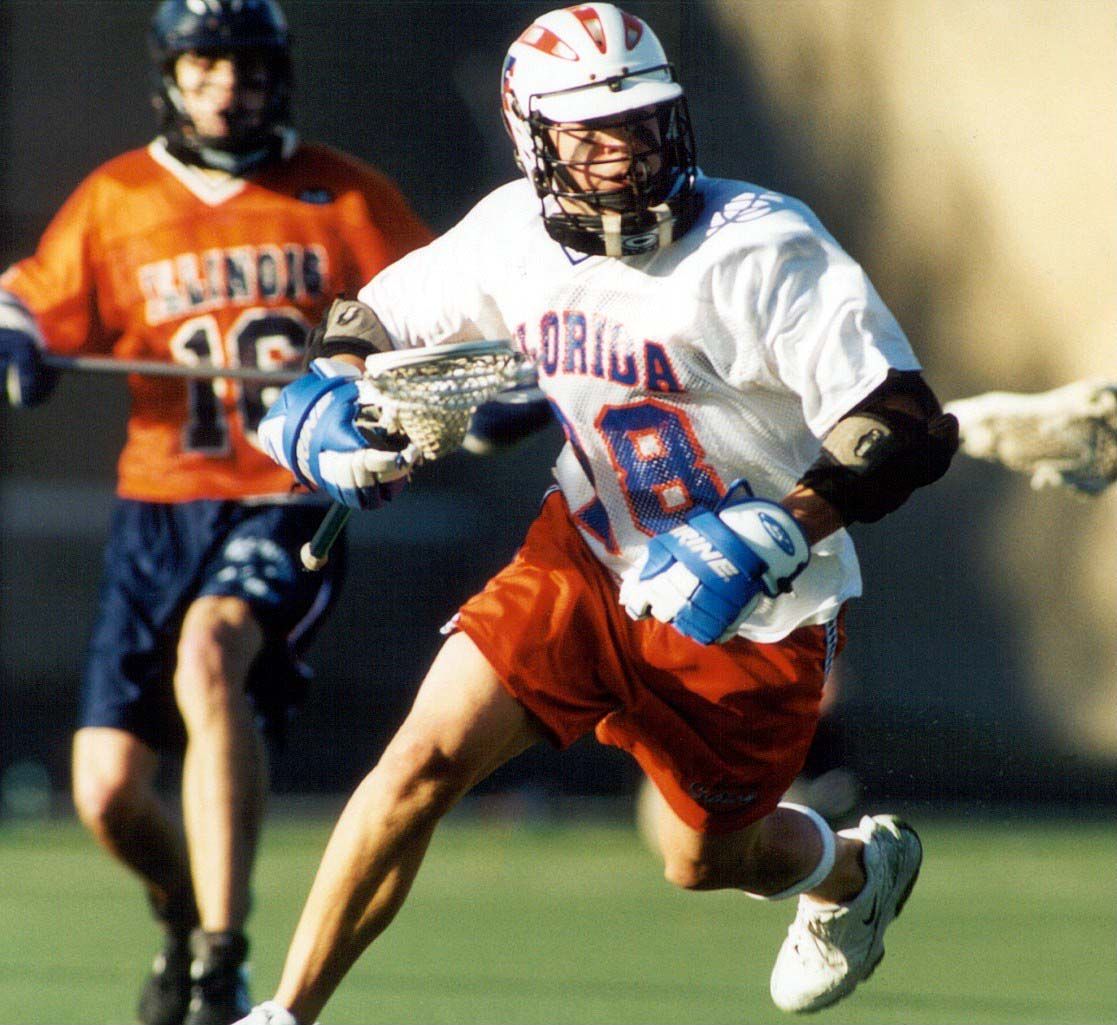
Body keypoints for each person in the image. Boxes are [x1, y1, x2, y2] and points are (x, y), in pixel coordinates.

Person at [240, 5, 960, 1021]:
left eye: (641, 124)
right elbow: (371, 320)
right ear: (533, 140)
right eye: (592, 134)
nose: (625, 152)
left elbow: (906, 424)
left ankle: (851, 871)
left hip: (754, 610)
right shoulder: (512, 232)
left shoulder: (764, 247)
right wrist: (337, 400)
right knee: (421, 757)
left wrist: (786, 522)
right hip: (584, 555)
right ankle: (284, 1010)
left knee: (705, 860)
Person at [0, 3, 431, 1024]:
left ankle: (218, 964)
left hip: (286, 492)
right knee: (106, 790)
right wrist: (19, 342)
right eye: (205, 64)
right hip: (157, 510)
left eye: (245, 65)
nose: (228, 85)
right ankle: (184, 914)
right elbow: (27, 298)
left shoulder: (343, 194)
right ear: (170, 77)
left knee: (212, 648)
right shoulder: (118, 197)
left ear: (278, 76)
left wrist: (459, 391)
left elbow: (443, 307)